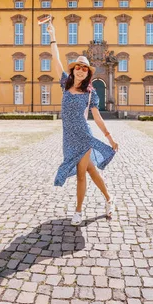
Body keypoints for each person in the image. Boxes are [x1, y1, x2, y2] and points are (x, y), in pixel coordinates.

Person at [48, 21, 119, 226]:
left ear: (88, 73)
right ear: (74, 70)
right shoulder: (65, 84)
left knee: (81, 173)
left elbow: (97, 118)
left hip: (84, 135)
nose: (80, 71)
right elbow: (56, 59)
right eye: (78, 67)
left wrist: (110, 137)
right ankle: (109, 198)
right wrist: (53, 36)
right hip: (68, 137)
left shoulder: (91, 93)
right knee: (91, 170)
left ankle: (78, 211)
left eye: (84, 69)